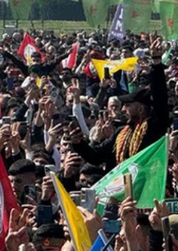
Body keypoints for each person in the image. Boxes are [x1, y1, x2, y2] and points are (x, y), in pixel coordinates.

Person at [70, 38, 169, 169]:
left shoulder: (154, 128)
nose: (123, 110)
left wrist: (156, 63)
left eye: (128, 105)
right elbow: (96, 157)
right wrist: (79, 143)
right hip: (123, 187)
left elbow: (160, 97)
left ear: (140, 109)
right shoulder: (120, 133)